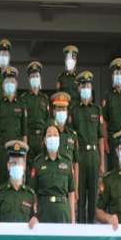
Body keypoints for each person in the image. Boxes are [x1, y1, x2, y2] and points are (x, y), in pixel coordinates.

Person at [72, 71, 104, 224]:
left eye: (88, 86)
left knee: (93, 196)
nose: (86, 88)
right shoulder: (74, 110)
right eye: (83, 86)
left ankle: (91, 225)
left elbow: (100, 137)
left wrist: (102, 162)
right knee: (80, 196)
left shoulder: (97, 110)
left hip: (94, 156)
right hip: (80, 155)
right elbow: (72, 136)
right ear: (79, 88)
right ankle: (80, 227)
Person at [30, 124, 76, 224]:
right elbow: (33, 191)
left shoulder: (67, 162)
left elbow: (71, 192)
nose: (52, 138)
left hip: (63, 211)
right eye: (49, 135)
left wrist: (72, 217)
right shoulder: (38, 162)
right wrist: (35, 213)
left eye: (55, 135)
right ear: (45, 140)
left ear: (59, 139)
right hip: (44, 211)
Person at [0, 140, 37, 229]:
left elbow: (35, 219)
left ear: (24, 166)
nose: (16, 166)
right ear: (8, 166)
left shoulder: (30, 195)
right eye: (13, 163)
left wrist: (36, 220)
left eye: (19, 163)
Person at [0, 66, 27, 185]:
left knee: (17, 184)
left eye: (12, 82)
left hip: (18, 151)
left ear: (16, 84)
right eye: (7, 82)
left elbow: (24, 134)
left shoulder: (21, 104)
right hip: (2, 152)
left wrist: (25, 159)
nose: (9, 84)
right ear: (3, 85)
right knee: (1, 185)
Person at [102, 58, 121, 171]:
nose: (118, 75)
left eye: (120, 73)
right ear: (112, 76)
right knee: (113, 169)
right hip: (112, 139)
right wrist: (105, 141)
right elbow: (104, 120)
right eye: (116, 73)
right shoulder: (108, 95)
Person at [20, 61, 49, 165]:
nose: (35, 78)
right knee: (28, 167)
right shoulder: (24, 98)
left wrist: (45, 138)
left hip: (41, 138)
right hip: (29, 137)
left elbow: (48, 119)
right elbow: (22, 120)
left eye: (37, 76)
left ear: (40, 78)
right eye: (32, 76)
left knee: (42, 166)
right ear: (29, 79)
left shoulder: (44, 98)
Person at [50, 92, 79, 186]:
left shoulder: (72, 135)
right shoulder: (48, 134)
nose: (61, 112)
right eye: (59, 109)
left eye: (64, 109)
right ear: (54, 112)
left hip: (68, 183)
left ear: (67, 112)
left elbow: (75, 164)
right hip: (53, 182)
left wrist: (76, 189)